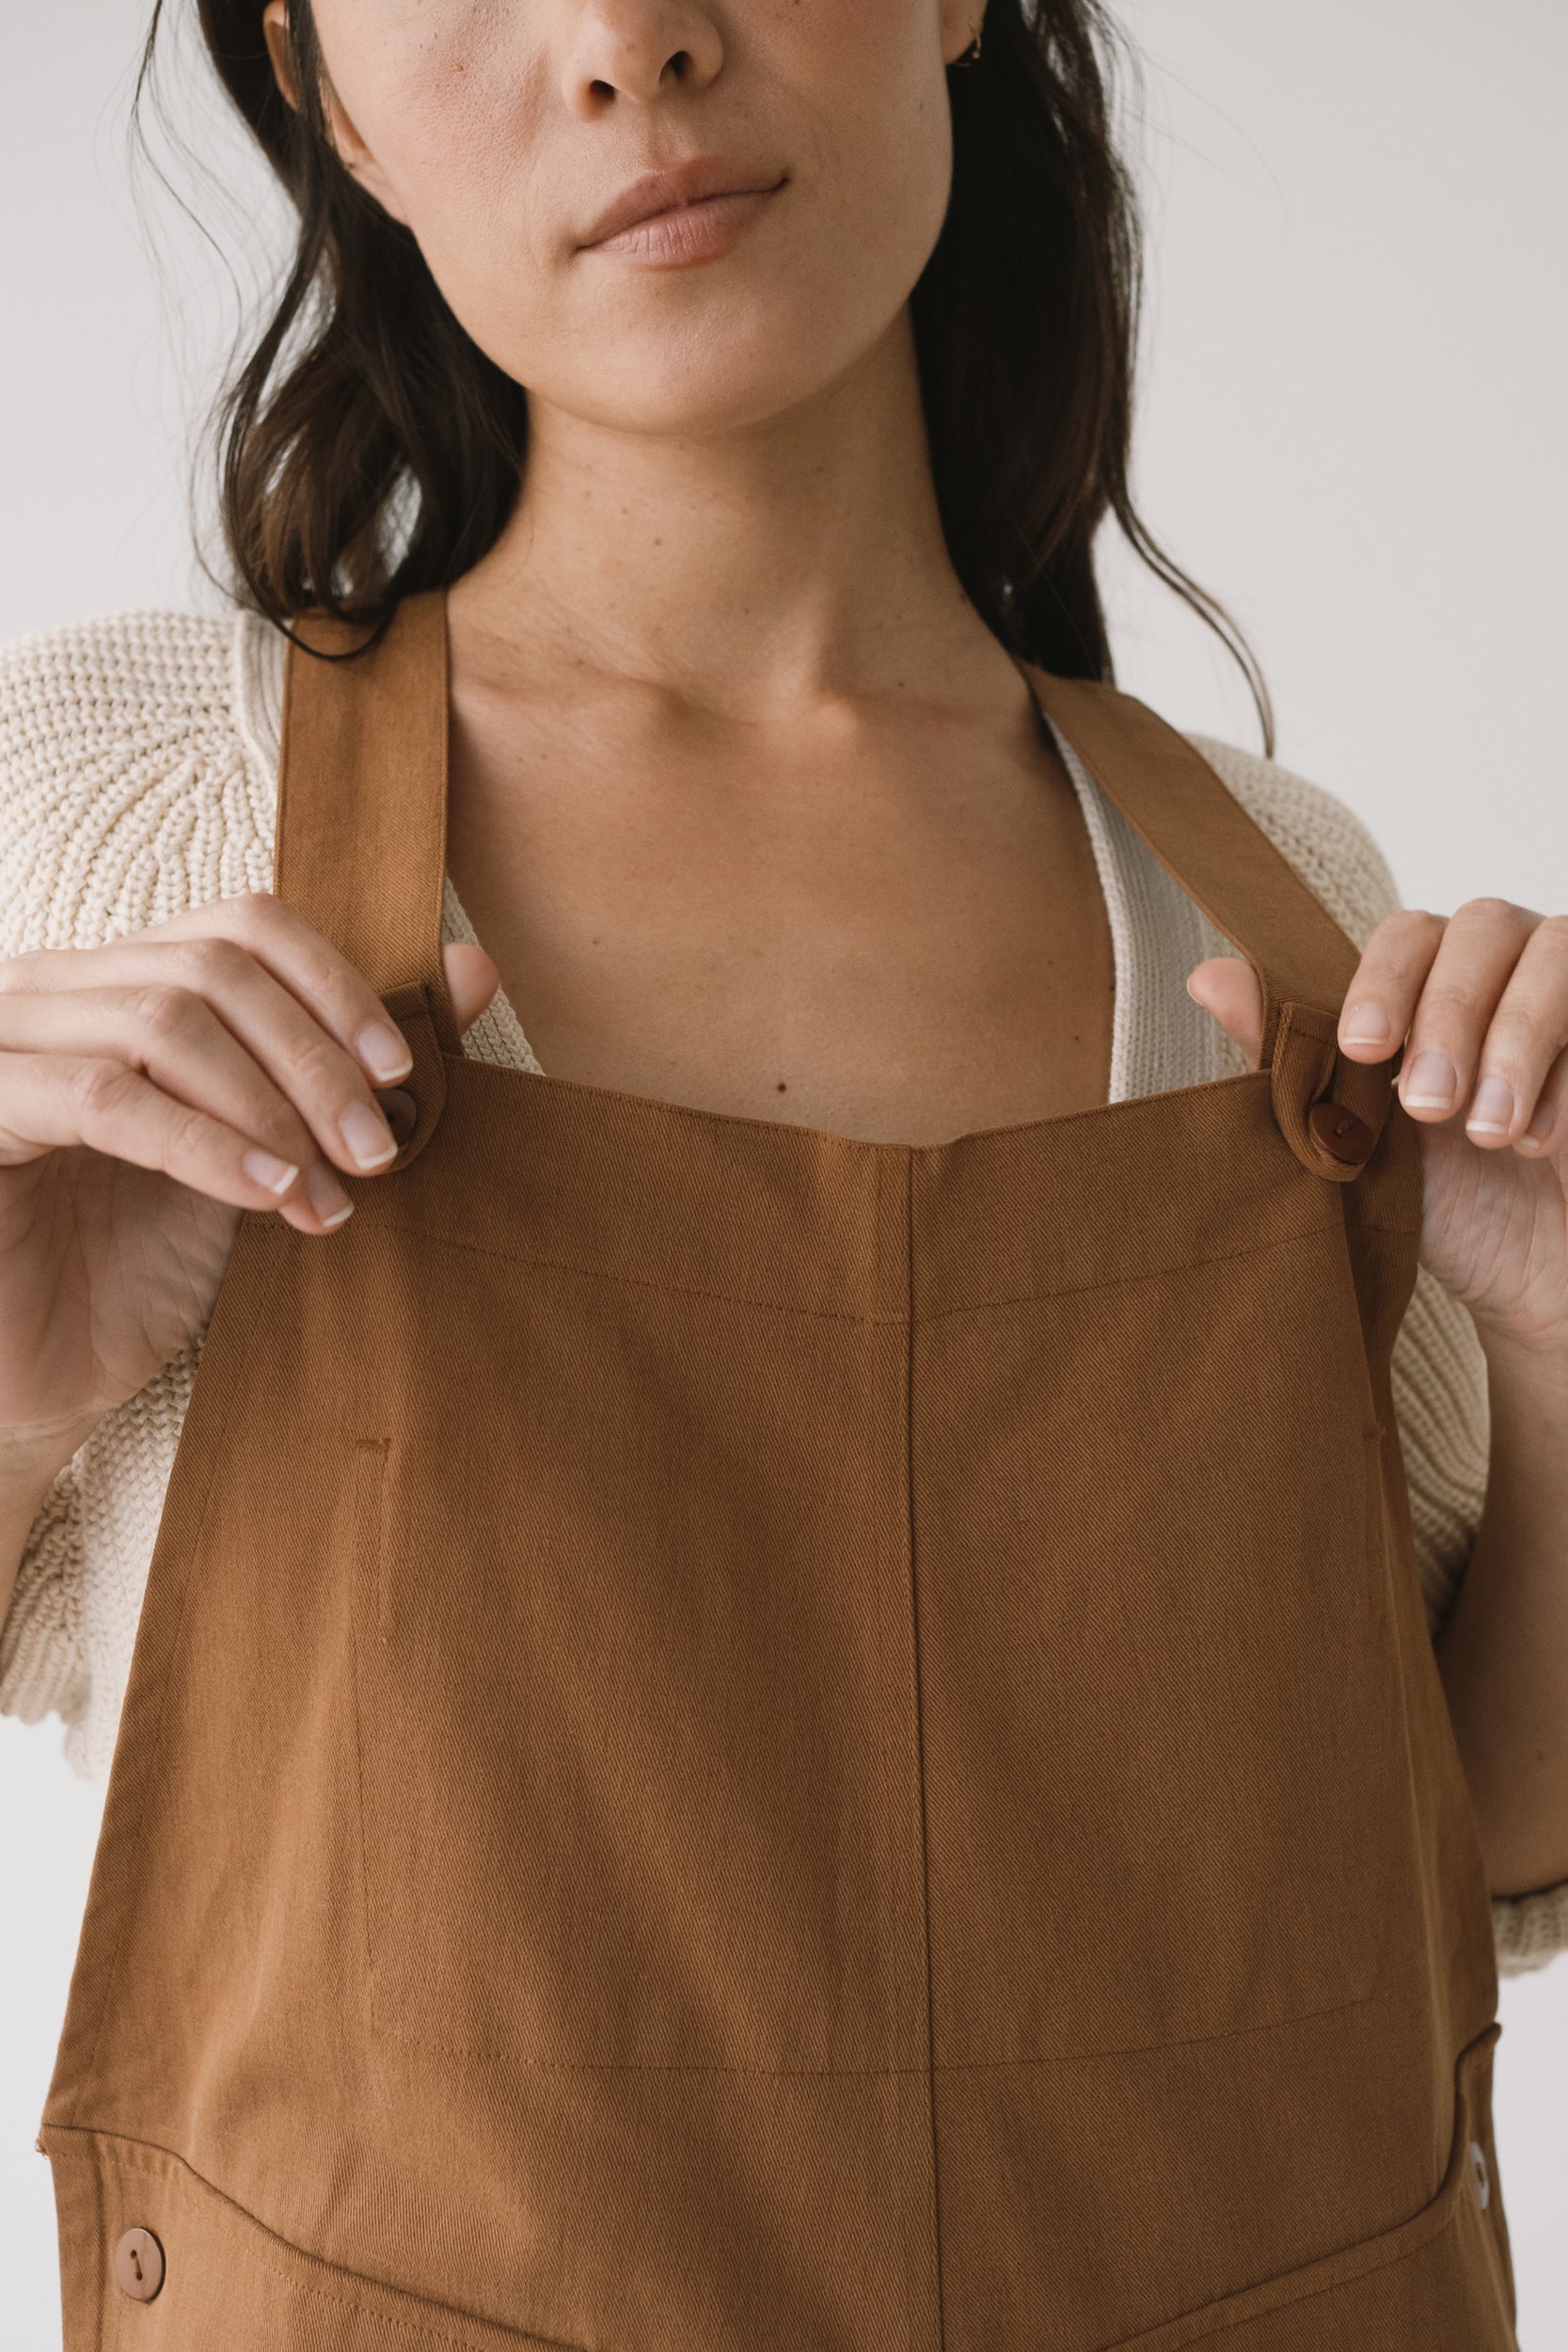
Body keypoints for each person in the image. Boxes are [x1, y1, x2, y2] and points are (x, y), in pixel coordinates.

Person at [1, 3, 1563, 2344]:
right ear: (331, 95)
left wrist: (1564, 1351)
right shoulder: (123, 817)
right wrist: (22, 1384)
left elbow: (1460, 1854)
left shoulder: (1278, 898)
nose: (630, 42)